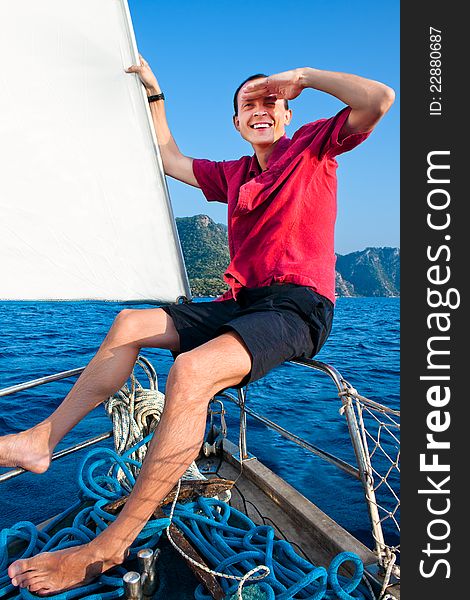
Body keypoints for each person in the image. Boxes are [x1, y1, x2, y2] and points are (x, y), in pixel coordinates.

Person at [0, 56, 394, 594]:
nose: (260, 109)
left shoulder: (314, 146)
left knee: (191, 372)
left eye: (269, 101)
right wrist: (157, 96)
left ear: (286, 112)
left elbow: (378, 100)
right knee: (129, 323)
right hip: (242, 302)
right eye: (248, 104)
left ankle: (109, 545)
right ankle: (39, 442)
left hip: (297, 305)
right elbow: (168, 158)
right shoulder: (232, 174)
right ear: (236, 122)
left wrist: (300, 77)